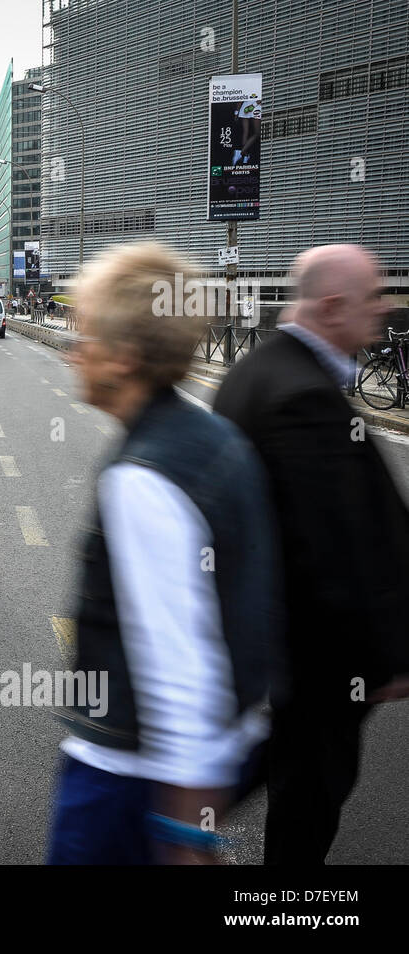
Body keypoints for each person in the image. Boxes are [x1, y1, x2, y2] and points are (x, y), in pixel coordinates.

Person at [47, 243, 282, 864]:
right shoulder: (213, 436)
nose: (75, 349)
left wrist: (187, 836)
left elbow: (182, 673)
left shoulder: (142, 477)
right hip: (222, 747)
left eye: (88, 334)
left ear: (124, 358)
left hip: (121, 779)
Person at [214, 244, 409, 865]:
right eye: (373, 296)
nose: (384, 309)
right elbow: (328, 551)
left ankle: (175, 814)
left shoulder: (257, 371)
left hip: (282, 649)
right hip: (321, 658)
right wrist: (383, 659)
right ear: (331, 306)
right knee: (309, 794)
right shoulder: (303, 395)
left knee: (286, 767)